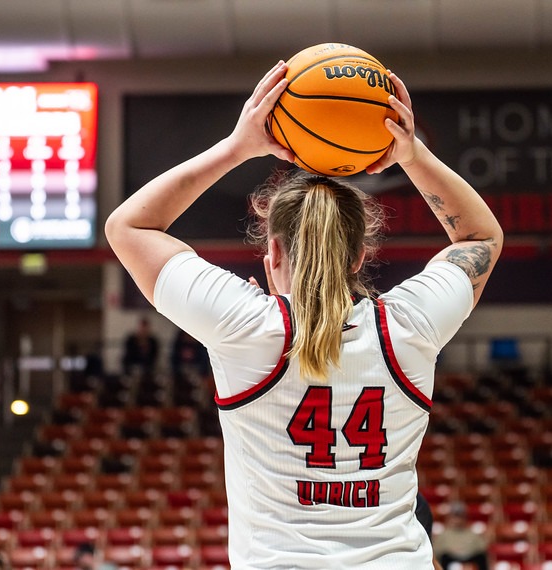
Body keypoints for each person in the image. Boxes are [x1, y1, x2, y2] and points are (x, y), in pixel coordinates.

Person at [106, 61, 501, 568]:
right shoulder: (408, 326)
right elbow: (480, 238)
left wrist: (238, 146)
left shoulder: (245, 324)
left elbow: (130, 228)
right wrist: (412, 153)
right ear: (359, 255)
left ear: (272, 253)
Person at [433, 502, 489, 570]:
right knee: (444, 558)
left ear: (465, 517)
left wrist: (463, 550)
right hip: (449, 560)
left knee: (481, 557)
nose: (458, 520)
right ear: (450, 517)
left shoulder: (472, 533)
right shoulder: (444, 534)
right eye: (455, 516)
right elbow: (437, 552)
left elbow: (482, 548)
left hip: (469, 558)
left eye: (460, 516)